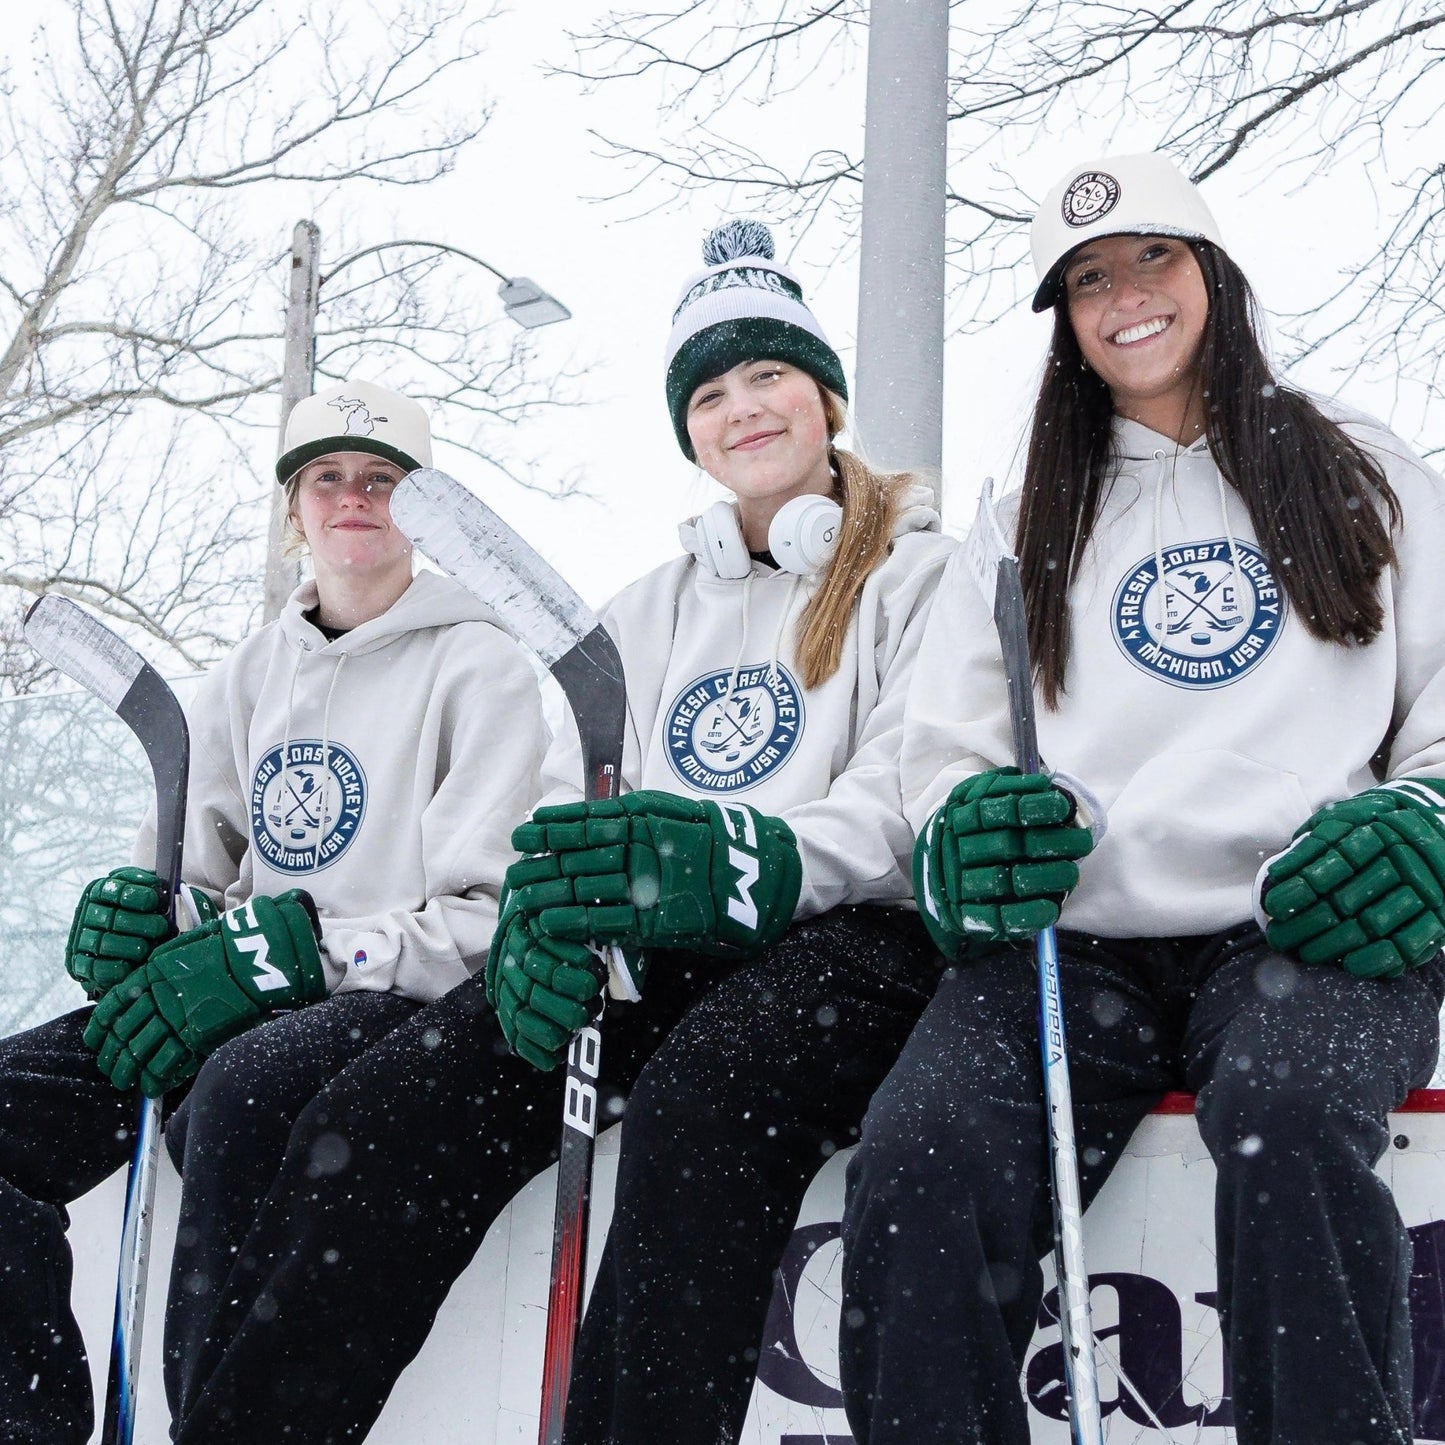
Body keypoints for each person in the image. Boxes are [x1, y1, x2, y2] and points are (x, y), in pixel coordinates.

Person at [839, 151, 1445, 1445]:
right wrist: (967, 835)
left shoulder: (1359, 468)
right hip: (1077, 948)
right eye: (1088, 280)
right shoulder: (1020, 518)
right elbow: (944, 751)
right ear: (1065, 323)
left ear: (1211, 272)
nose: (1125, 296)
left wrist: (1423, 822)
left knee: (1289, 1126)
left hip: (1304, 927)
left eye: (1152, 259)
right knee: (917, 1165)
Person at [0, 378, 548, 1444]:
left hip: (379, 998)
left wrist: (304, 954)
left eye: (382, 479)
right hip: (234, 990)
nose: (354, 498)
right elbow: (195, 876)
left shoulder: (480, 663)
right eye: (327, 477)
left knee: (239, 1097)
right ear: (294, 505)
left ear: (419, 504)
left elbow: (481, 921)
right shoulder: (249, 668)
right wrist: (148, 922)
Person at [485, 217, 955, 1444]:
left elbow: (910, 793)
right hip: (673, 951)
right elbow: (564, 804)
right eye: (708, 391)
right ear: (685, 430)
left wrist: (750, 862)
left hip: (860, 941)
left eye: (767, 375)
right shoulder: (637, 612)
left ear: (825, 398)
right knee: (399, 1097)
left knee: (704, 1099)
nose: (740, 408)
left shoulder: (922, 574)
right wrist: (539, 921)